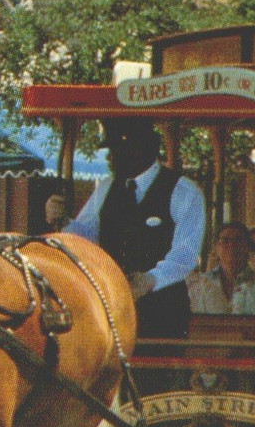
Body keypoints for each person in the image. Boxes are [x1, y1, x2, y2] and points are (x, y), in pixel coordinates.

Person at [65, 119, 204, 339]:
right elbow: (85, 237)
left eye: (117, 150)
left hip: (163, 313)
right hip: (112, 309)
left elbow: (185, 254)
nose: (110, 158)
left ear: (142, 150)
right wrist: (63, 221)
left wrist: (151, 280)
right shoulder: (106, 187)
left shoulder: (183, 191)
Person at [187, 221, 254, 315]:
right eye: (225, 241)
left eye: (238, 240)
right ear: (217, 247)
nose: (231, 245)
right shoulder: (203, 283)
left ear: (247, 247)